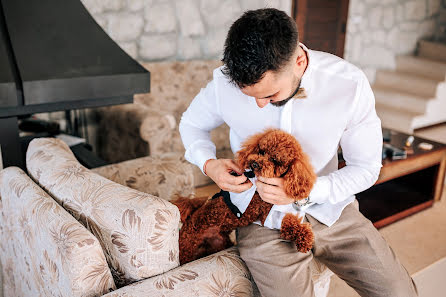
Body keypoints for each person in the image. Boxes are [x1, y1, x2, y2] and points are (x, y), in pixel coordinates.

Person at [179, 8, 418, 297]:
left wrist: (304, 191)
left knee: (399, 292)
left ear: (299, 61)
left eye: (269, 95)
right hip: (262, 219)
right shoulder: (223, 84)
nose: (260, 106)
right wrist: (209, 164)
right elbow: (191, 125)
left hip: (333, 209)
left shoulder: (349, 85)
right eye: (251, 97)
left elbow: (366, 168)